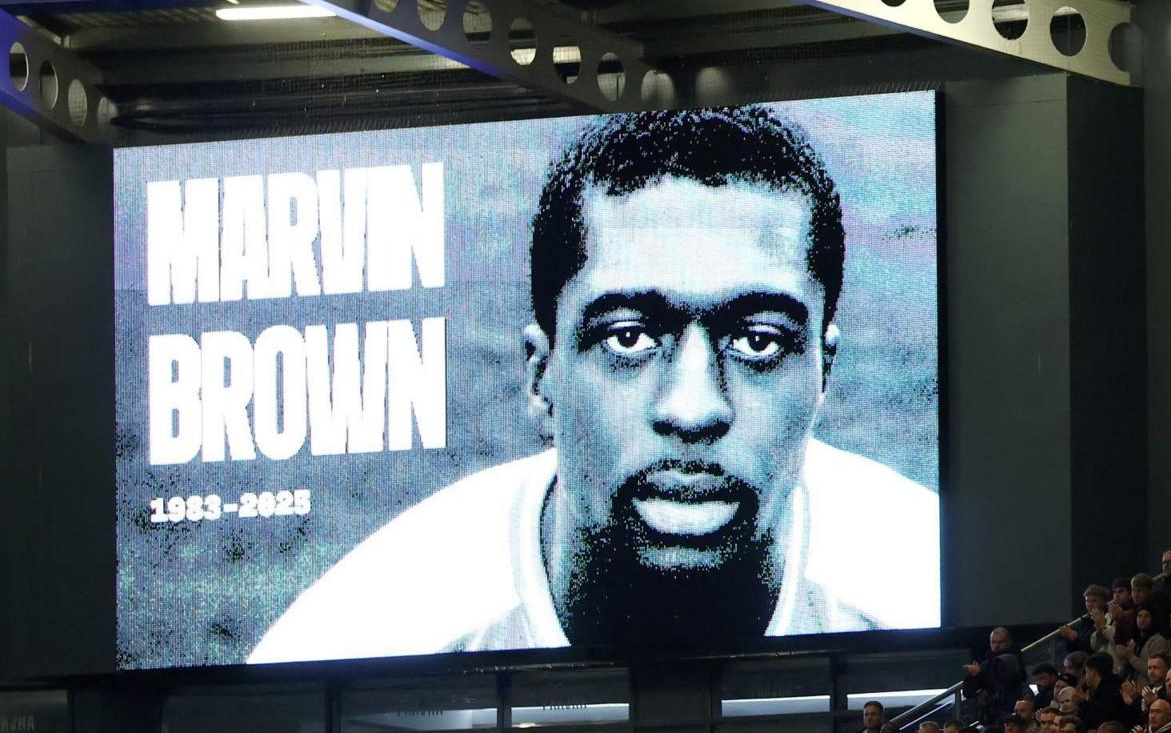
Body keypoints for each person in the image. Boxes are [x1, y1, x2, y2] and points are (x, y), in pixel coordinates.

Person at [249, 105, 938, 662]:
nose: (693, 409)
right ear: (541, 374)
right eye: (628, 338)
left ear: (824, 374)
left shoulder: (923, 593)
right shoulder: (364, 639)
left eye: (758, 341)